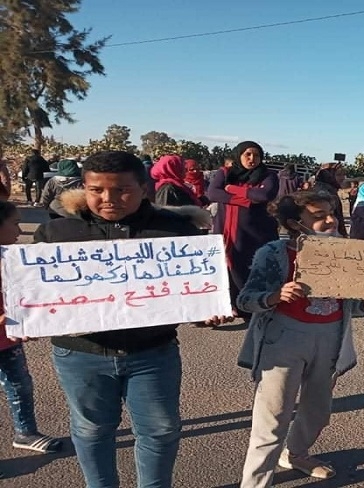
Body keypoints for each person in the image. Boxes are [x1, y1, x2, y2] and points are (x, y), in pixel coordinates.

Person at [34, 150, 220, 488]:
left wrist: (208, 308)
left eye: (122, 190)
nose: (108, 199)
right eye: (97, 190)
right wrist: (23, 315)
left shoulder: (178, 232)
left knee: (161, 431)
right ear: (84, 187)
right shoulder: (54, 235)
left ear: (144, 188)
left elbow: (198, 288)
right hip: (80, 353)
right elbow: (33, 293)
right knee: (91, 430)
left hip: (153, 352)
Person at [236, 190, 364, 487]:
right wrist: (274, 296)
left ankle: (296, 453)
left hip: (330, 339)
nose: (331, 219)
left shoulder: (345, 251)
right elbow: (246, 300)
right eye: (319, 215)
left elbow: (350, 302)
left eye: (331, 212)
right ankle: (255, 482)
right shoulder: (273, 253)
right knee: (272, 419)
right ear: (294, 223)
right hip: (282, 340)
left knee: (318, 410)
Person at [0, 201, 63, 463]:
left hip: (9, 340)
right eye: (14, 223)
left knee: (19, 386)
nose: (19, 229)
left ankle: (25, 432)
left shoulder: (11, 258)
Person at [207, 141, 280, 321]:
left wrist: (231, 189)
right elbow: (213, 194)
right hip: (228, 230)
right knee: (229, 266)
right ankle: (233, 305)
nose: (252, 158)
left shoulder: (268, 175)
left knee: (255, 267)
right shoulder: (225, 173)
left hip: (257, 232)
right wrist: (247, 199)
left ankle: (254, 307)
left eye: (256, 155)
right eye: (247, 154)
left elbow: (264, 195)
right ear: (239, 155)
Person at [311, 163, 348, 237]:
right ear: (329, 175)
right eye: (338, 175)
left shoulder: (330, 190)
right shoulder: (323, 193)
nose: (343, 178)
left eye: (344, 174)